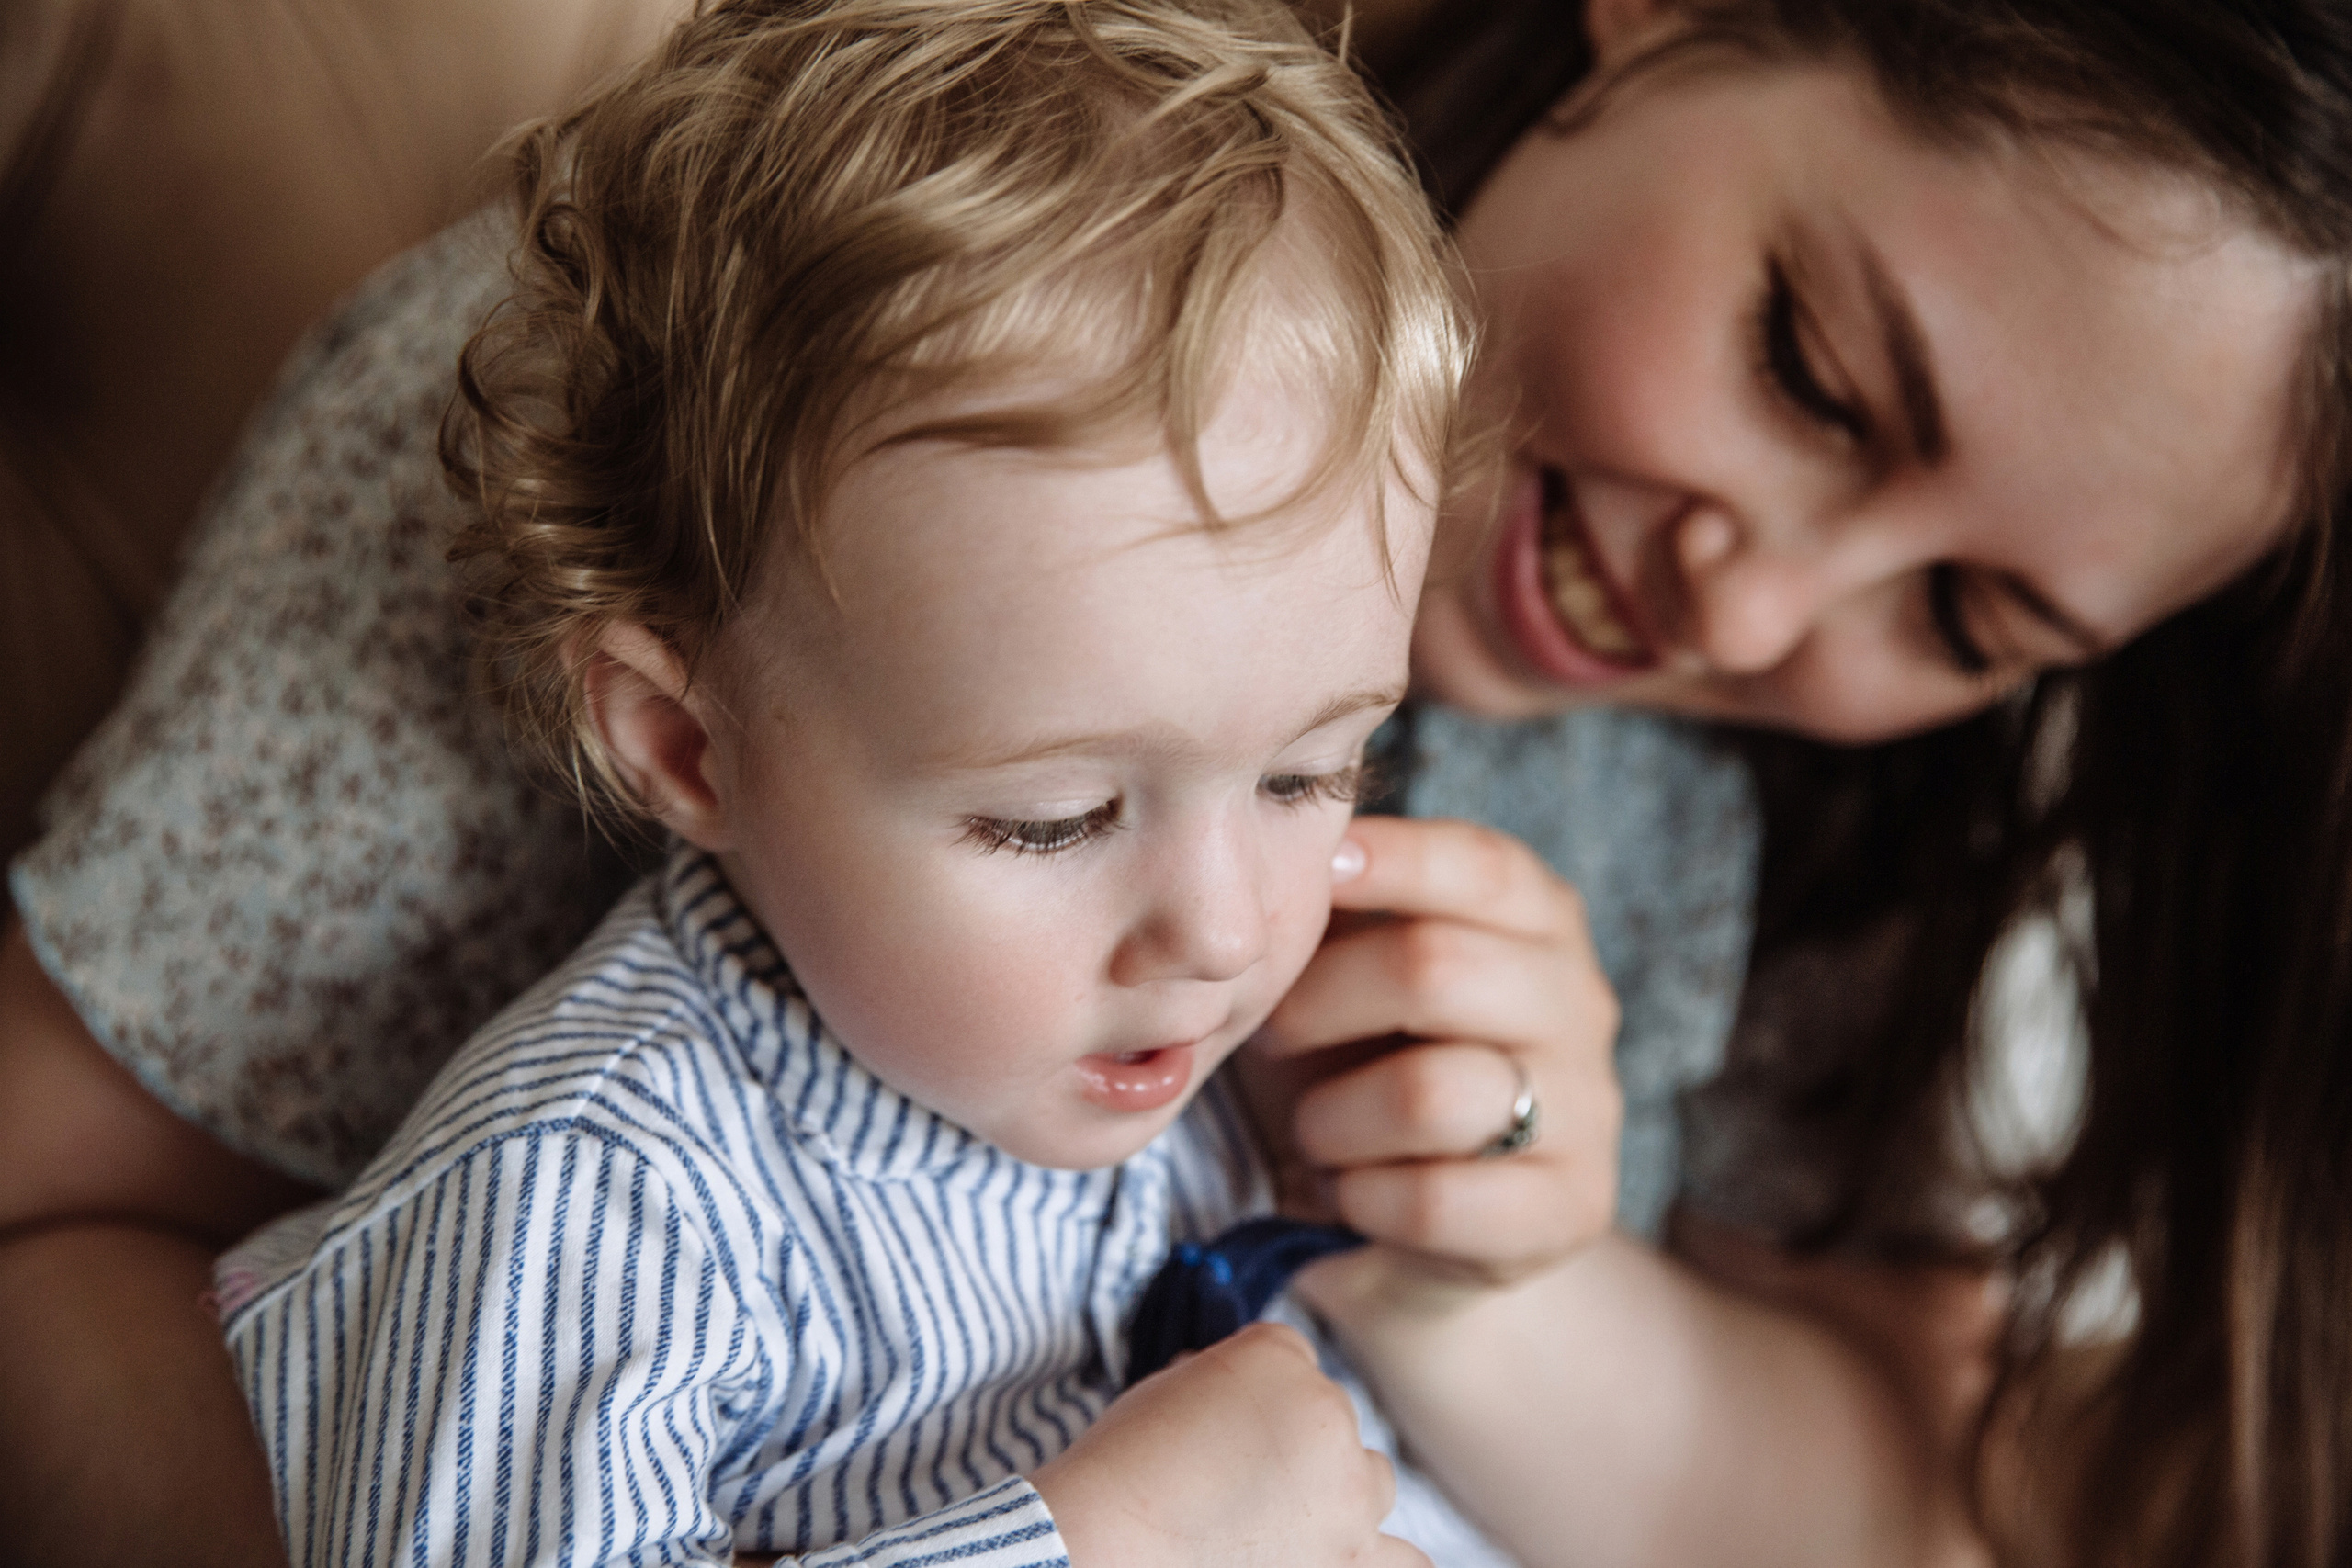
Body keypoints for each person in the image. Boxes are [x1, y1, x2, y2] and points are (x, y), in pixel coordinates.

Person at [1, 0, 2343, 1563]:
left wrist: (1486, 1276)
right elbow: (44, 1220)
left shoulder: (1751, 798)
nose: (1750, 615)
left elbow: (1912, 1492)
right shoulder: (747, 441)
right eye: (1811, 373)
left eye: (1968, 622)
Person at [209, 1, 1468, 1562]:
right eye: (1053, 817)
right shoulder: (591, 1198)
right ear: (685, 745)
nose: (1221, 932)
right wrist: (1100, 1547)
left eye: (1313, 773)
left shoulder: (1204, 1093)